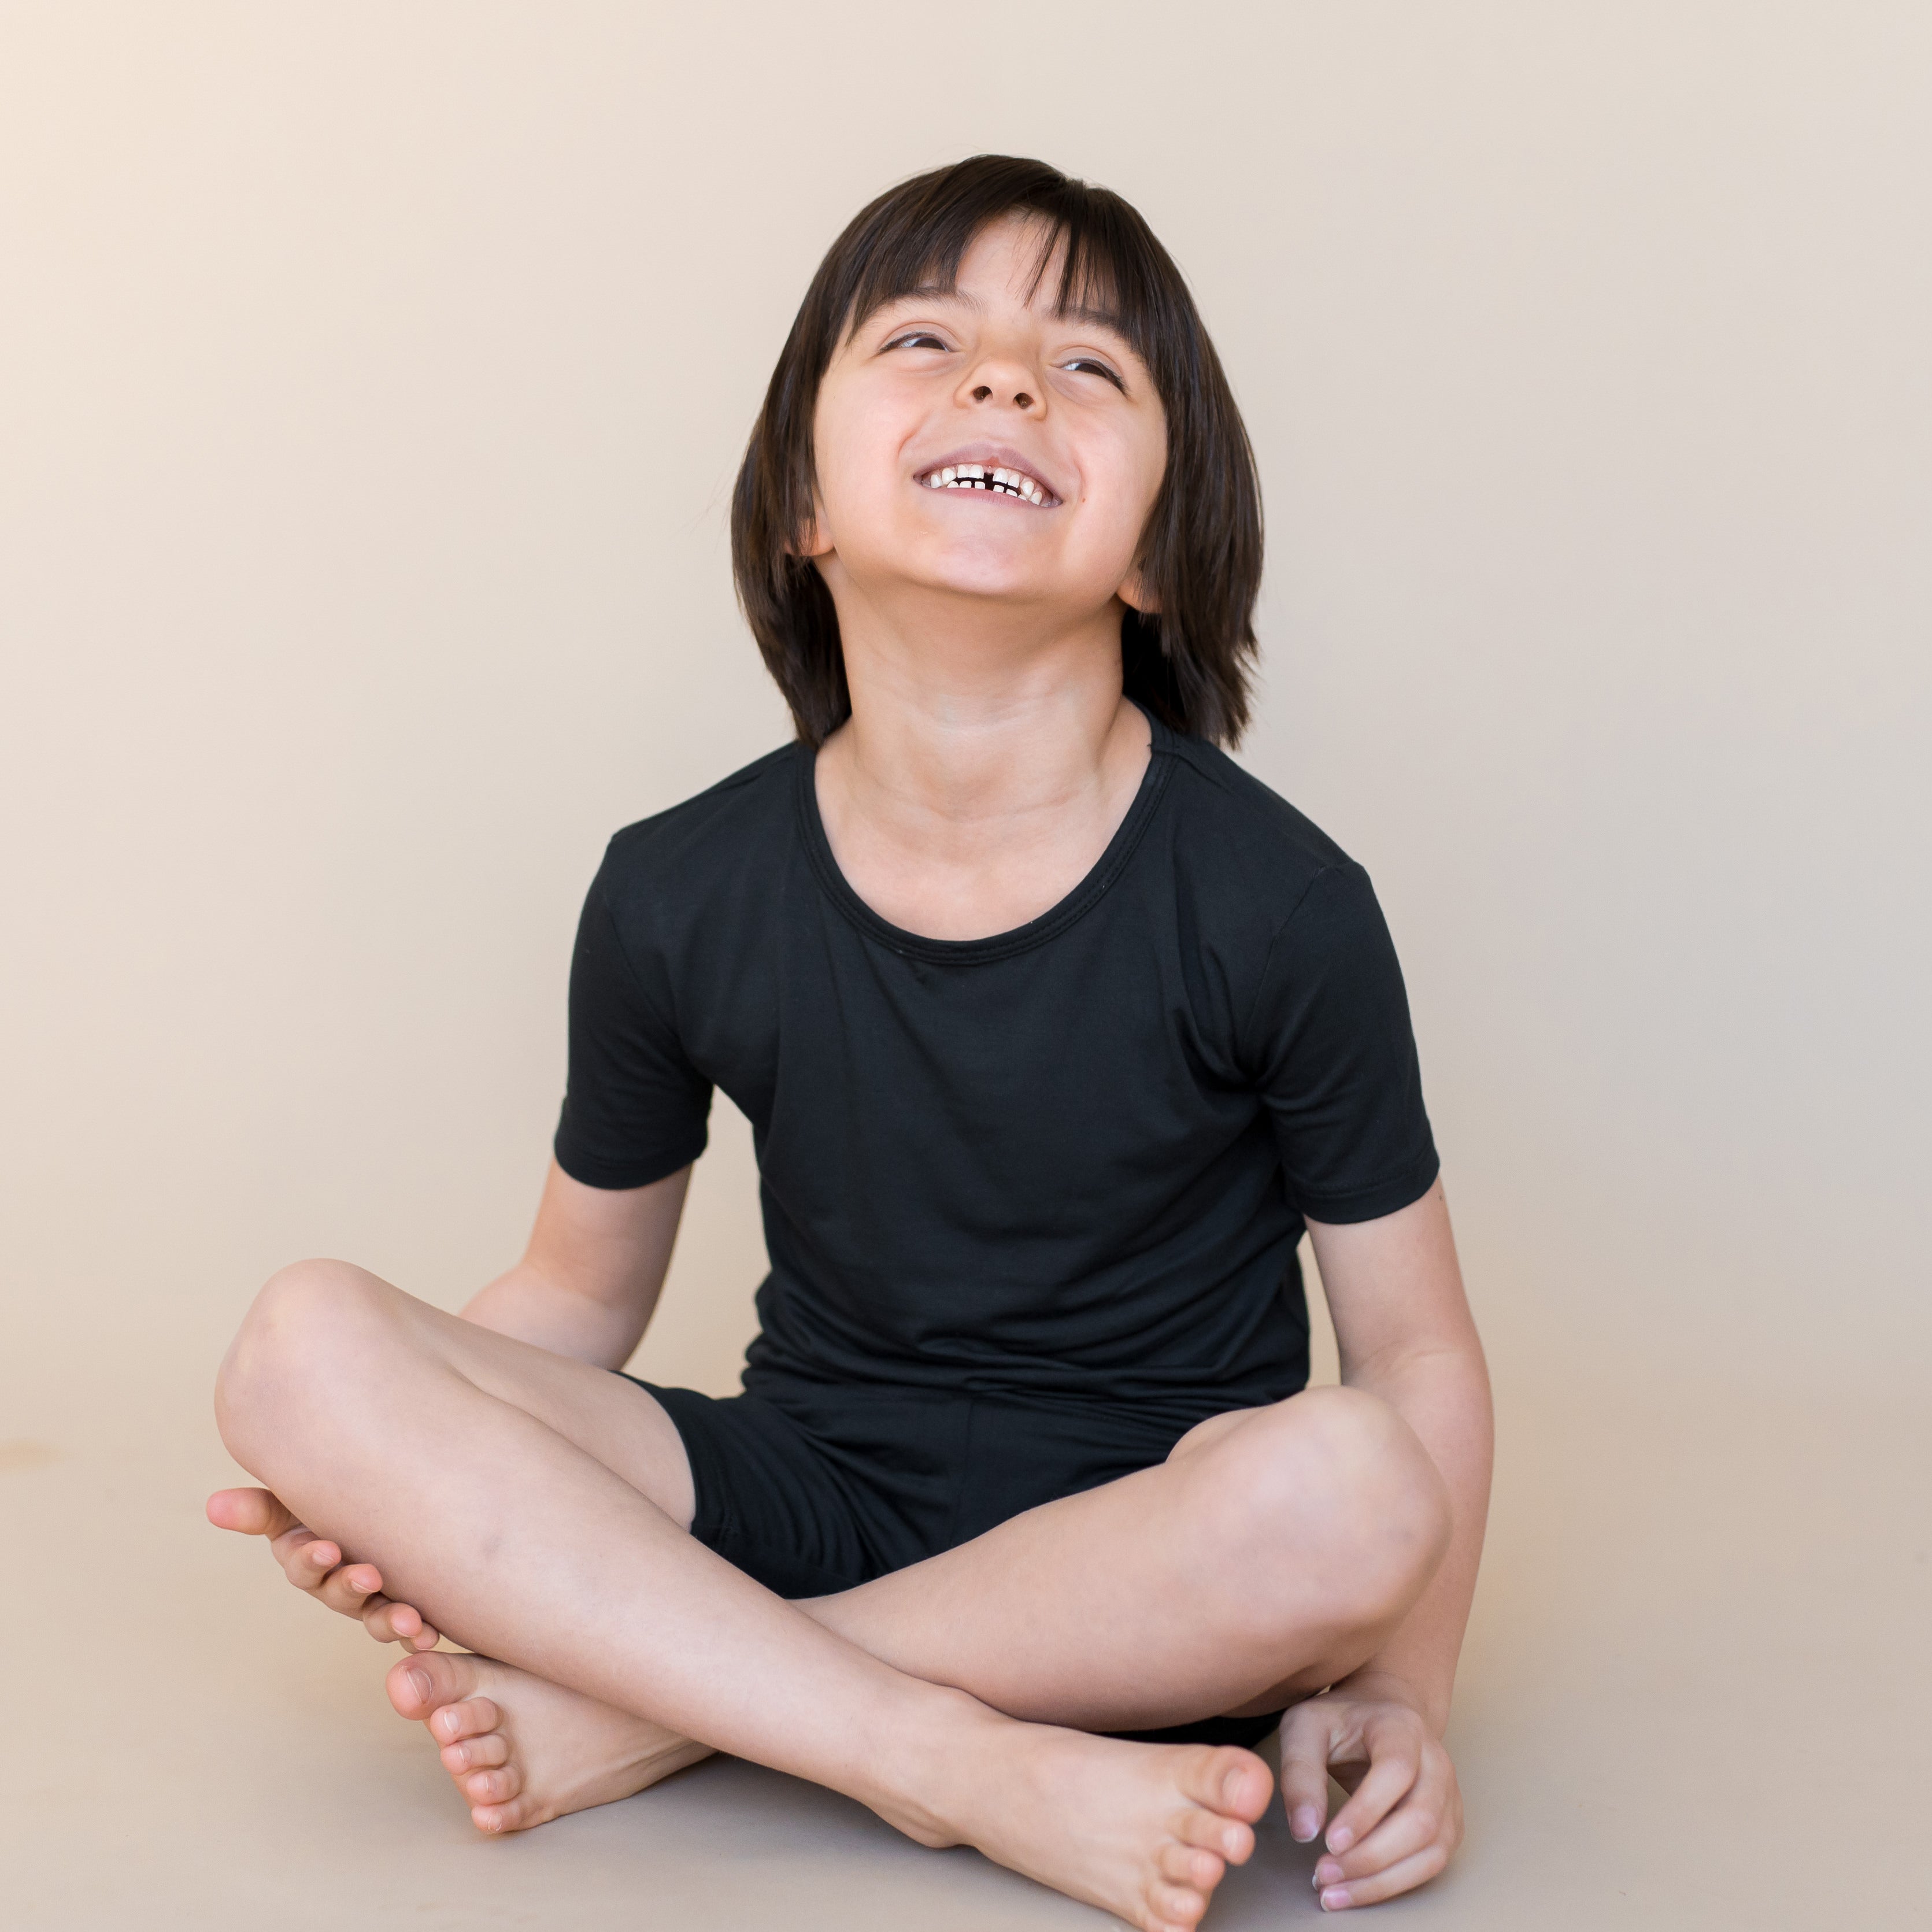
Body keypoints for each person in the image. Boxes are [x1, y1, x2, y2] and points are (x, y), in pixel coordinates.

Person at [207, 155, 1492, 1930]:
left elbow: (1415, 1358)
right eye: (925, 339)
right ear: (801, 508)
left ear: (1157, 560)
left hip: (1152, 1557)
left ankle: (664, 1710)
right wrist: (406, 1466)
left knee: (1354, 1485)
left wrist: (1399, 1697)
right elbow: (575, 1299)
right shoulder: (674, 890)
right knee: (298, 1350)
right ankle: (946, 1756)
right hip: (798, 1485)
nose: (1004, 380)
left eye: (1089, 368)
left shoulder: (1278, 903)